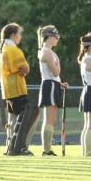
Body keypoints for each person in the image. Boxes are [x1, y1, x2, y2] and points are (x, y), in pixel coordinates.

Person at [0, 23, 37, 156]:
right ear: (13, 35)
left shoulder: (3, 49)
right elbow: (25, 68)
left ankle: (10, 146)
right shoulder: (14, 50)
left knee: (13, 119)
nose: (20, 37)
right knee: (26, 116)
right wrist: (25, 70)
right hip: (17, 88)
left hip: (8, 89)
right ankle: (20, 146)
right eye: (19, 34)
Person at [36, 25, 66, 157]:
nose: (57, 39)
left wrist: (60, 82)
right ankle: (46, 149)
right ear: (49, 37)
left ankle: (48, 148)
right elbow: (56, 71)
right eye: (56, 37)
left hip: (54, 83)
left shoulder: (51, 52)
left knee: (51, 119)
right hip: (50, 84)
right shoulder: (47, 52)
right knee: (49, 119)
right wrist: (58, 66)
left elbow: (56, 74)